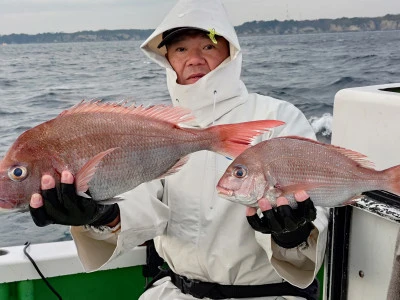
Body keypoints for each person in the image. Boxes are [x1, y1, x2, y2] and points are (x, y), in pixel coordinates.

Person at [29, 0, 329, 299]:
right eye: (181, 49)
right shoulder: (153, 128)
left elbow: (314, 195)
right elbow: (143, 203)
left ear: (231, 54)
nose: (195, 59)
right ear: (168, 58)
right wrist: (99, 214)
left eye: (208, 47)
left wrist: (293, 233)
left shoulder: (277, 116)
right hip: (174, 291)